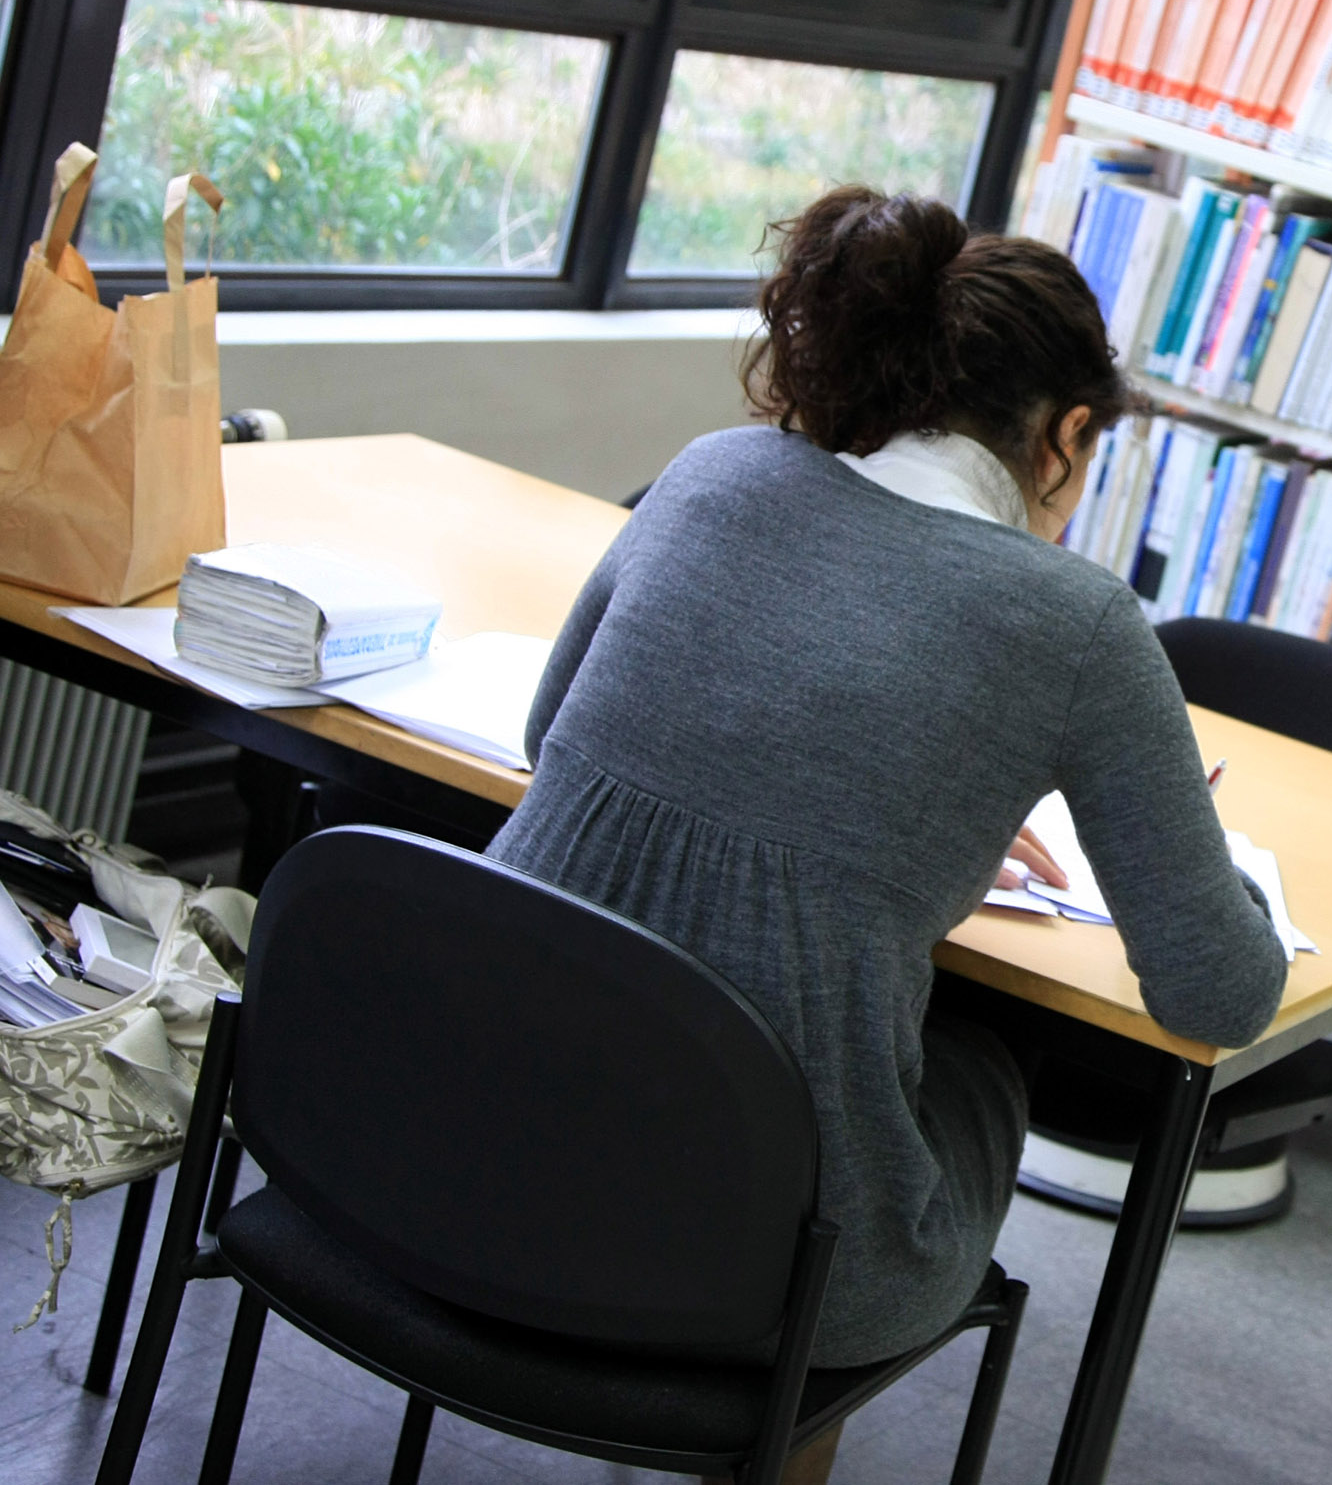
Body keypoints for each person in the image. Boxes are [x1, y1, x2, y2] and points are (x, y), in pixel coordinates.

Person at [489, 187, 1289, 1484]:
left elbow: (550, 734)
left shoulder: (712, 472)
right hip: (761, 1265)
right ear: (1067, 433)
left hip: (462, 1133)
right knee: (981, 1050)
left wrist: (905, 806)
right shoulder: (1080, 624)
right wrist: (1204, 851)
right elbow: (1220, 992)